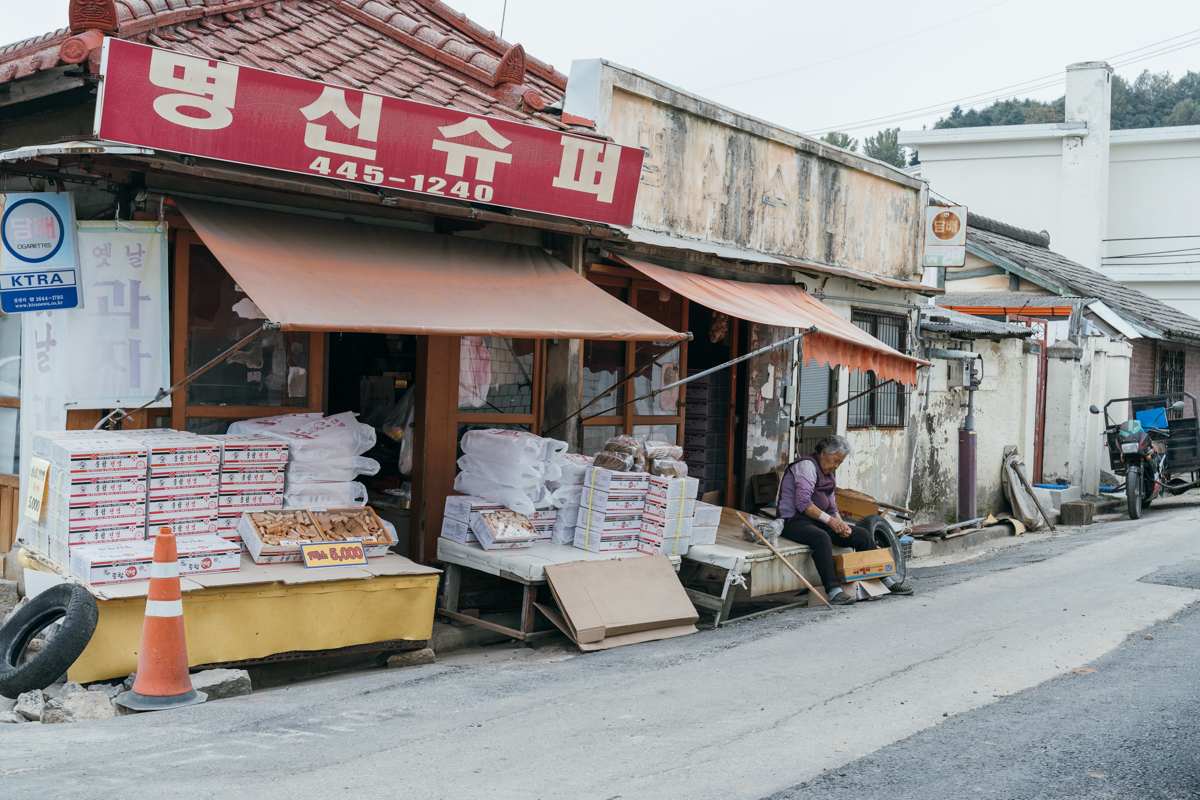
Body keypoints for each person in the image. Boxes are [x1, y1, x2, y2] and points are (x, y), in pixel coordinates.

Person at [778, 434, 913, 605]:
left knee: (861, 534)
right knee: (821, 538)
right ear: (823, 453)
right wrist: (831, 522)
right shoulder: (806, 466)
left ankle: (885, 579)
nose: (836, 466)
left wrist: (840, 524)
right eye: (835, 461)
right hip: (794, 521)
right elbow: (803, 504)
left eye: (840, 463)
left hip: (820, 521)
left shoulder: (828, 473)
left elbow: (832, 506)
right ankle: (834, 591)